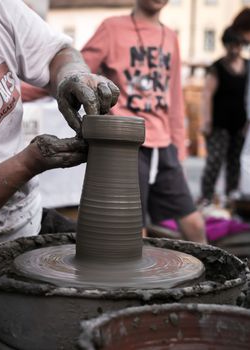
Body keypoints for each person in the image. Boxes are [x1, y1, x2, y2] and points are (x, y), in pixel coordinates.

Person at [0, 0, 119, 244]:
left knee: (113, 255)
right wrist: (29, 163)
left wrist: (72, 75)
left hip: (28, 219)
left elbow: (57, 54)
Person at [81, 0, 206, 243]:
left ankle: (215, 278)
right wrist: (27, 89)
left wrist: (179, 146)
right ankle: (136, 281)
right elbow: (77, 74)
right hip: (126, 143)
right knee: (133, 231)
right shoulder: (112, 28)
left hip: (164, 145)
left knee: (194, 224)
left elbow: (175, 96)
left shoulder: (170, 37)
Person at [199, 26, 247, 208]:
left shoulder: (248, 66)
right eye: (230, 45)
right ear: (225, 45)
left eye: (237, 45)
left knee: (235, 162)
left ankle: (230, 197)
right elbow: (206, 95)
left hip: (240, 124)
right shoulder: (217, 67)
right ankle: (206, 196)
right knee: (214, 161)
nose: (234, 50)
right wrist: (206, 121)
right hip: (219, 124)